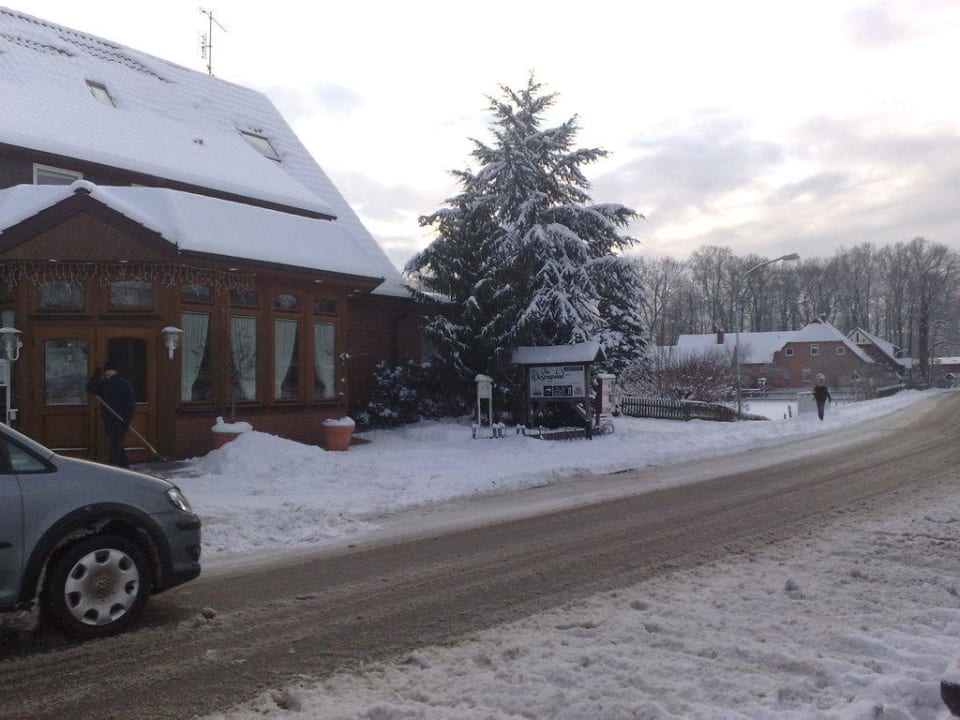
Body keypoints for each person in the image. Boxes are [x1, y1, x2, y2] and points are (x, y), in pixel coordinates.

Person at [85, 360, 136, 467]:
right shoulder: (104, 384)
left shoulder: (123, 383)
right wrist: (96, 375)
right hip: (109, 418)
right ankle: (124, 465)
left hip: (120, 419)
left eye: (110, 370)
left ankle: (114, 466)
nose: (108, 372)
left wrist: (126, 418)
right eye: (106, 370)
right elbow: (90, 389)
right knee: (117, 443)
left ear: (115, 371)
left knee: (115, 444)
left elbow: (130, 403)